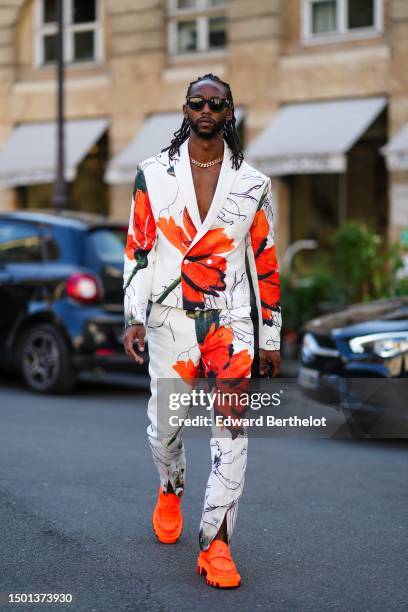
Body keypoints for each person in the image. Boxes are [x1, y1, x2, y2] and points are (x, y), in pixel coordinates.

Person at [123, 73, 281, 589]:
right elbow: (140, 249)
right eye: (198, 101)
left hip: (230, 321)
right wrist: (133, 316)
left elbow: (264, 260)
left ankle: (216, 544)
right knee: (165, 430)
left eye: (218, 102)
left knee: (232, 432)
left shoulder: (253, 183)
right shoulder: (152, 174)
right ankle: (170, 486)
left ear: (230, 113)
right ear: (185, 109)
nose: (208, 109)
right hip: (170, 323)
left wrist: (270, 336)